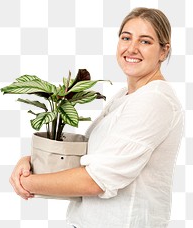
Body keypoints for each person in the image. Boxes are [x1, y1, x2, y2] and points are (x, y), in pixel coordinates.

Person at [10, 7, 184, 228]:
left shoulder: (154, 100)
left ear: (163, 51)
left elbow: (97, 180)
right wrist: (31, 162)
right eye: (126, 38)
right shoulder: (126, 96)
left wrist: (27, 182)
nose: (132, 48)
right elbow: (88, 157)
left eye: (145, 41)